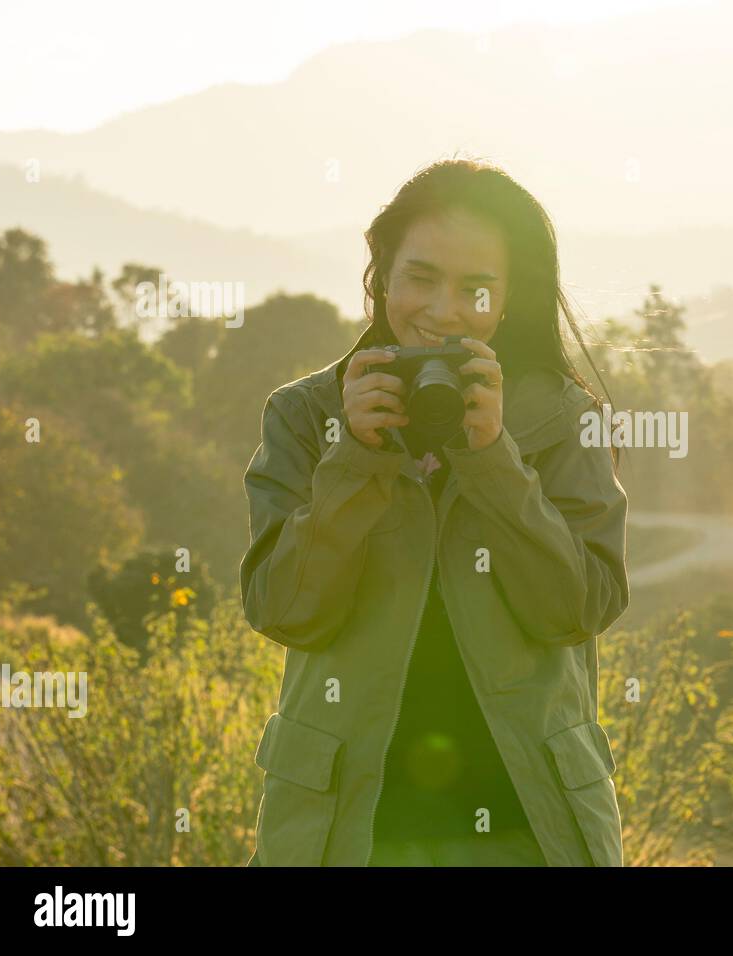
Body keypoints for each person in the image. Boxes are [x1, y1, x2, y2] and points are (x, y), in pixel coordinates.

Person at [239, 158, 630, 867]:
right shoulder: (305, 415)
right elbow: (286, 610)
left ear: (507, 298)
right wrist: (355, 460)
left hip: (528, 833)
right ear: (382, 276)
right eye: (420, 278)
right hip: (345, 836)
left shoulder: (564, 419)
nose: (444, 311)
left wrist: (493, 459)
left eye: (475, 288)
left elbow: (575, 611)